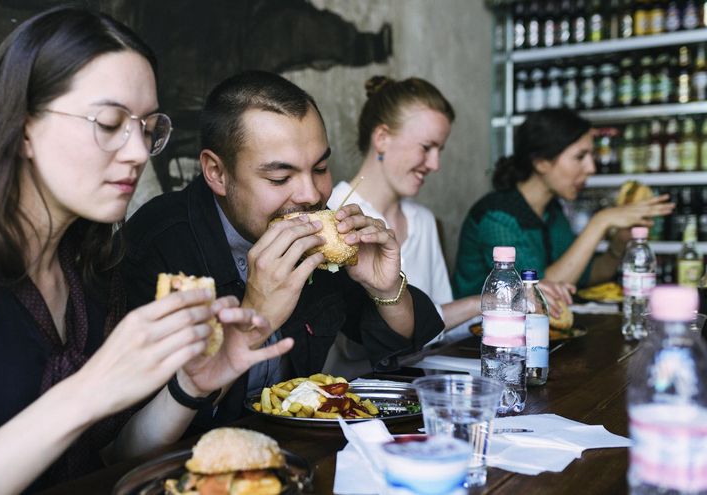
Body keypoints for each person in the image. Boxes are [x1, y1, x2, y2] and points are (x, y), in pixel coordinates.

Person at [0, 8, 289, 495]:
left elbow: (106, 458)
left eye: (148, 127)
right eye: (110, 122)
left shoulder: (89, 260)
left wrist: (190, 386)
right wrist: (86, 393)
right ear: (25, 125)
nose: (137, 151)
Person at [120, 70, 444, 428]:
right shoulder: (160, 248)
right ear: (216, 172)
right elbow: (147, 430)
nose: (311, 194)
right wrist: (256, 311)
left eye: (320, 168)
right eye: (280, 178)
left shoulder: (316, 235)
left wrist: (384, 288)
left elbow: (394, 349)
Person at [452, 108, 675, 299]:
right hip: (477, 339)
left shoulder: (552, 211)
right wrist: (601, 221)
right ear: (541, 162)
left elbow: (583, 274)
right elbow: (536, 295)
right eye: (580, 157)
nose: (591, 168)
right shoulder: (496, 216)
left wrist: (619, 244)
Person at [327, 75, 478, 340]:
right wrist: (481, 302)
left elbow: (439, 329)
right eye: (427, 147)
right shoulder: (333, 214)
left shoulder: (424, 220)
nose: (435, 164)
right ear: (382, 138)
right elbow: (352, 341)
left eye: (439, 150)